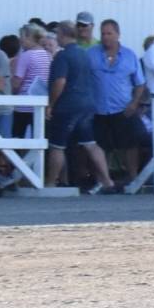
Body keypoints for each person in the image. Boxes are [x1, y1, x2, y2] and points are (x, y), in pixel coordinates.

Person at [43, 21, 113, 193]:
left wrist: (51, 104)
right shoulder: (84, 54)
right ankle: (107, 181)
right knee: (90, 143)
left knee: (57, 145)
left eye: (58, 34)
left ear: (63, 34)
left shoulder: (62, 56)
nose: (57, 37)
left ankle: (50, 183)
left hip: (67, 106)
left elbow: (60, 81)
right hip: (87, 104)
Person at [87, 19, 148, 188]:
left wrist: (134, 103)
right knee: (100, 145)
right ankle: (102, 180)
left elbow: (140, 83)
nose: (106, 37)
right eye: (103, 33)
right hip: (98, 109)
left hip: (123, 108)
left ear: (118, 34)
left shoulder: (129, 55)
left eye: (109, 33)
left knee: (130, 144)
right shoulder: (91, 54)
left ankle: (133, 178)